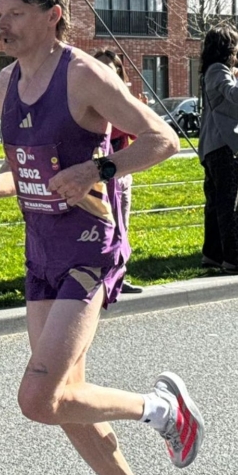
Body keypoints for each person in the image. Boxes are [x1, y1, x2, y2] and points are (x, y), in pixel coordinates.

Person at [0, 0, 204, 475]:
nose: (5, 25)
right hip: (42, 250)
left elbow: (163, 139)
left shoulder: (84, 75)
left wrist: (98, 167)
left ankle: (161, 409)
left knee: (38, 398)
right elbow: (20, 169)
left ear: (54, 16)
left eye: (17, 14)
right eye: (0, 14)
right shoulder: (3, 86)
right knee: (69, 402)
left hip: (90, 247)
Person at [198, 24, 238, 274]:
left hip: (213, 146)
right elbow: (235, 96)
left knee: (216, 203)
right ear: (228, 47)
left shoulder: (213, 71)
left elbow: (227, 94)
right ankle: (236, 259)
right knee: (235, 203)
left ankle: (213, 255)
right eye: (235, 44)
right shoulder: (217, 70)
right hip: (225, 146)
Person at [91, 48, 142, 294]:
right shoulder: (87, 100)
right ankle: (100, 278)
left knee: (122, 225)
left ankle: (119, 277)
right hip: (97, 176)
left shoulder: (125, 100)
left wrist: (138, 112)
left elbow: (136, 134)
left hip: (122, 173)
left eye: (112, 71)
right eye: (100, 69)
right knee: (103, 227)